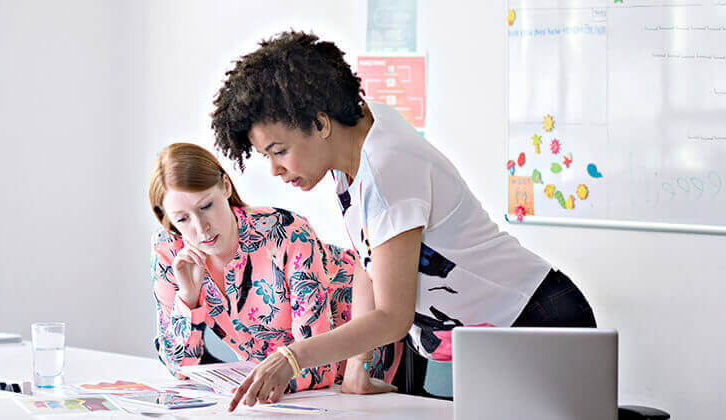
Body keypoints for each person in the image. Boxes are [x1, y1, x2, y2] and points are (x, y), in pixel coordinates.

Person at [210, 31, 597, 411]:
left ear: (321, 124)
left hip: (536, 321)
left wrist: (291, 358)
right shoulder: (355, 144)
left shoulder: (387, 166)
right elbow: (369, 262)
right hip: (490, 339)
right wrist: (358, 362)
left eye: (279, 151)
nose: (276, 170)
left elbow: (392, 317)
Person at [148, 142, 401, 395]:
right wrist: (188, 299)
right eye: (182, 219)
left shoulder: (287, 233)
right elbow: (179, 368)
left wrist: (253, 384)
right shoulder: (169, 251)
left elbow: (321, 368)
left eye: (206, 206)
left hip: (360, 360)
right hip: (282, 387)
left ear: (225, 186)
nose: (201, 228)